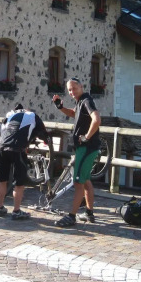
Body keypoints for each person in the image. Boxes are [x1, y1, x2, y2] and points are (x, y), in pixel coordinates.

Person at [52, 77, 101, 227]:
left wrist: (87, 137)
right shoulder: (81, 101)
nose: (72, 92)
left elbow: (97, 119)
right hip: (87, 148)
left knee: (78, 182)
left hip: (86, 148)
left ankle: (71, 216)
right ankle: (89, 213)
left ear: (81, 86)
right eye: (69, 90)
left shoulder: (86, 100)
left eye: (74, 88)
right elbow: (74, 114)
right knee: (85, 181)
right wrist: (61, 107)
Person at [0, 104, 50, 220]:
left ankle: (0, 207)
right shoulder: (32, 115)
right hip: (17, 149)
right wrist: (46, 140)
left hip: (1, 147)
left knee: (2, 179)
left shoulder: (9, 114)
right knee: (19, 183)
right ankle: (16, 211)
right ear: (27, 109)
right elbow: (44, 135)